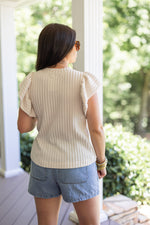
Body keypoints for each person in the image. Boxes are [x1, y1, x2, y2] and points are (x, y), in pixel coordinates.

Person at [17, 23, 107, 225]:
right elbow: (96, 129)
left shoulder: (31, 80)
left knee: (46, 222)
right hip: (78, 164)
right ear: (65, 47)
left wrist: (43, 111)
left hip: (43, 164)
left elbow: (24, 127)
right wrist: (101, 162)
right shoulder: (83, 81)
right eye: (76, 44)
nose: (77, 48)